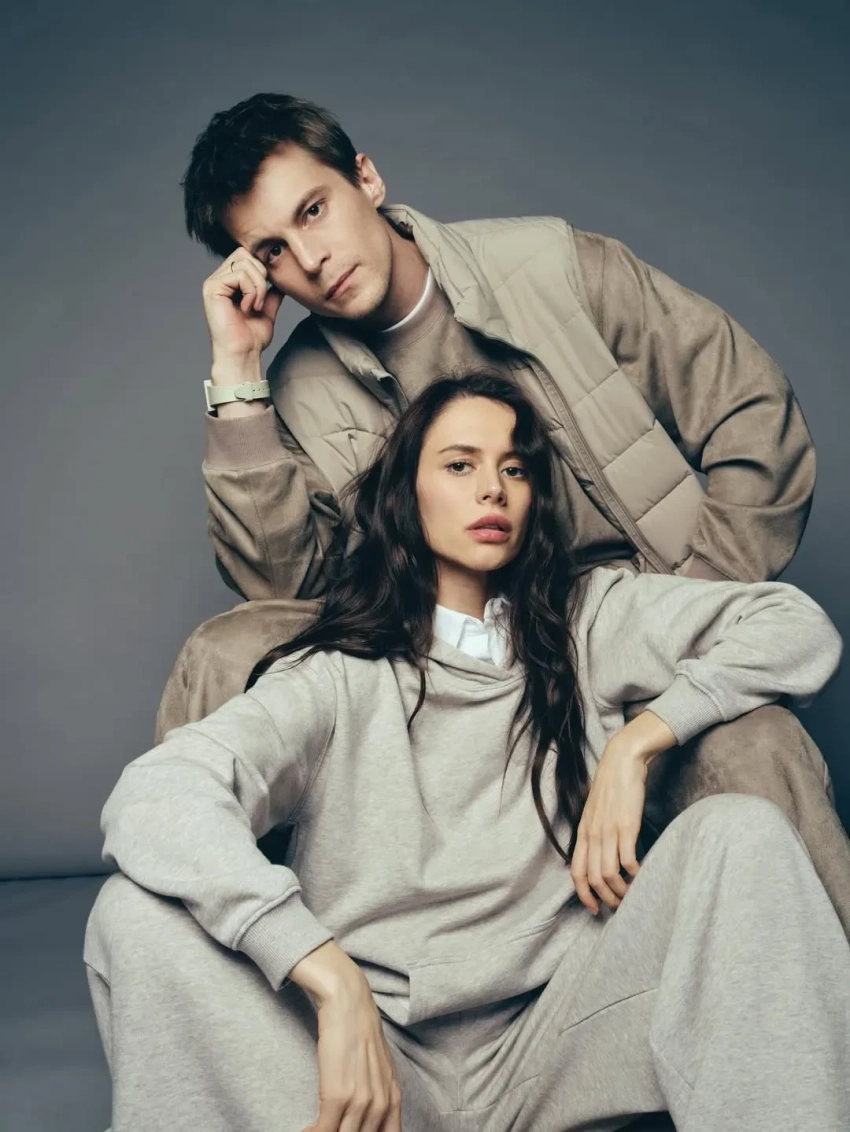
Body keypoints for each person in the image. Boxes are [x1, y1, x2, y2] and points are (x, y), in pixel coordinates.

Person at [156, 92, 850, 937]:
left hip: (625, 629)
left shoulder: (551, 266)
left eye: (314, 210)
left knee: (760, 747)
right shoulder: (297, 389)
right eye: (273, 249)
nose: (311, 257)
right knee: (229, 650)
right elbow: (282, 592)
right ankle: (240, 965)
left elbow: (750, 410)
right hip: (453, 683)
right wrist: (238, 375)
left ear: (365, 179)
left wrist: (691, 605)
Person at [86, 373, 849, 1132]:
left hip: (562, 1040)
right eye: (460, 465)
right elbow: (159, 795)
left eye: (514, 468)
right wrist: (324, 973)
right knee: (136, 915)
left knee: (739, 834)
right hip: (375, 1068)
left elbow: (794, 626)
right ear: (406, 495)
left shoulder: (589, 620)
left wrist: (639, 742)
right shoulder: (332, 676)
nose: (493, 489)